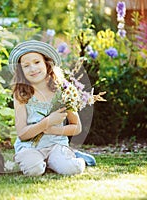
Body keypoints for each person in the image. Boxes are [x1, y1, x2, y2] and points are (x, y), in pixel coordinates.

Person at [9, 40, 96, 176]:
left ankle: (69, 157)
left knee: (72, 170)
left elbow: (76, 127)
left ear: (46, 64)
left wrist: (53, 129)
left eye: (37, 62)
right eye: (26, 66)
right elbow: (22, 134)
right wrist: (47, 121)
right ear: (21, 70)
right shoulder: (20, 94)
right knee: (34, 170)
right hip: (30, 146)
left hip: (56, 145)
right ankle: (39, 161)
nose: (32, 68)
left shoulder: (62, 91)